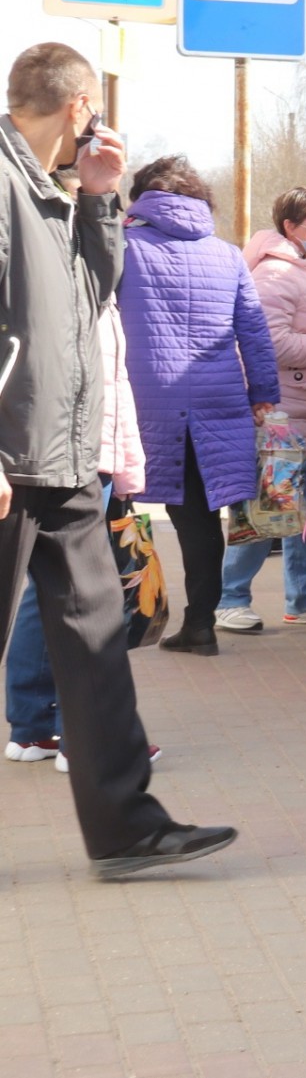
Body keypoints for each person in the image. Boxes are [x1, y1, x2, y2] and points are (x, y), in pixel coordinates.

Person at [0, 41, 234, 876]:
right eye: (93, 116)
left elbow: (90, 299)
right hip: (11, 455)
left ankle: (126, 825)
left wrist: (100, 197)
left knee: (98, 632)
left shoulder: (52, 193)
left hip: (60, 456)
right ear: (77, 107)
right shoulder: (4, 184)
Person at [120, 156, 280, 657]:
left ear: (145, 197)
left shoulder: (123, 246)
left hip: (148, 399)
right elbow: (254, 330)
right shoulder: (227, 254)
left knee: (119, 508)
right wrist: (264, 396)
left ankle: (117, 621)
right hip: (219, 397)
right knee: (201, 517)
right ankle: (201, 623)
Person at [7, 307, 153, 771]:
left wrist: (128, 465)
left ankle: (33, 729)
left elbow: (115, 389)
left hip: (65, 454)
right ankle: (86, 741)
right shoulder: (70, 284)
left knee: (47, 589)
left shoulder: (89, 288)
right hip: (71, 457)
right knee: (85, 596)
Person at [215, 187, 306, 632]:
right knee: (265, 513)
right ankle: (231, 599)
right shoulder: (275, 275)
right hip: (279, 418)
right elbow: (270, 342)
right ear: (290, 227)